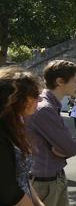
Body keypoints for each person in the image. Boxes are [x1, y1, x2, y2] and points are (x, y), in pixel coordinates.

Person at [27, 60, 76, 206]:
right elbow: (72, 147)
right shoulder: (45, 109)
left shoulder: (49, 105)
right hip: (45, 183)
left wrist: (66, 147)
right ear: (60, 81)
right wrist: (68, 146)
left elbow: (68, 145)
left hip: (52, 178)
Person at [0, 67, 45, 206]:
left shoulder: (13, 124)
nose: (40, 99)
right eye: (35, 95)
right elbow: (9, 192)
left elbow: (22, 177)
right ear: (16, 99)